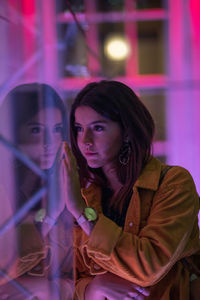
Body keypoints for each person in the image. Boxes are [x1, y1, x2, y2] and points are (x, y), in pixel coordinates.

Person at [62, 80, 200, 300]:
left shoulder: (173, 182)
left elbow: (149, 267)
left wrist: (82, 214)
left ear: (127, 132)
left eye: (98, 128)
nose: (84, 140)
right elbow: (64, 278)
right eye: (79, 129)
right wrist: (91, 289)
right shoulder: (82, 193)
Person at [0, 83, 73, 299]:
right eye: (36, 130)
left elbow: (79, 269)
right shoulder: (5, 190)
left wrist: (52, 289)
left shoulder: (66, 185)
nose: (50, 142)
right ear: (12, 131)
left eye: (57, 129)